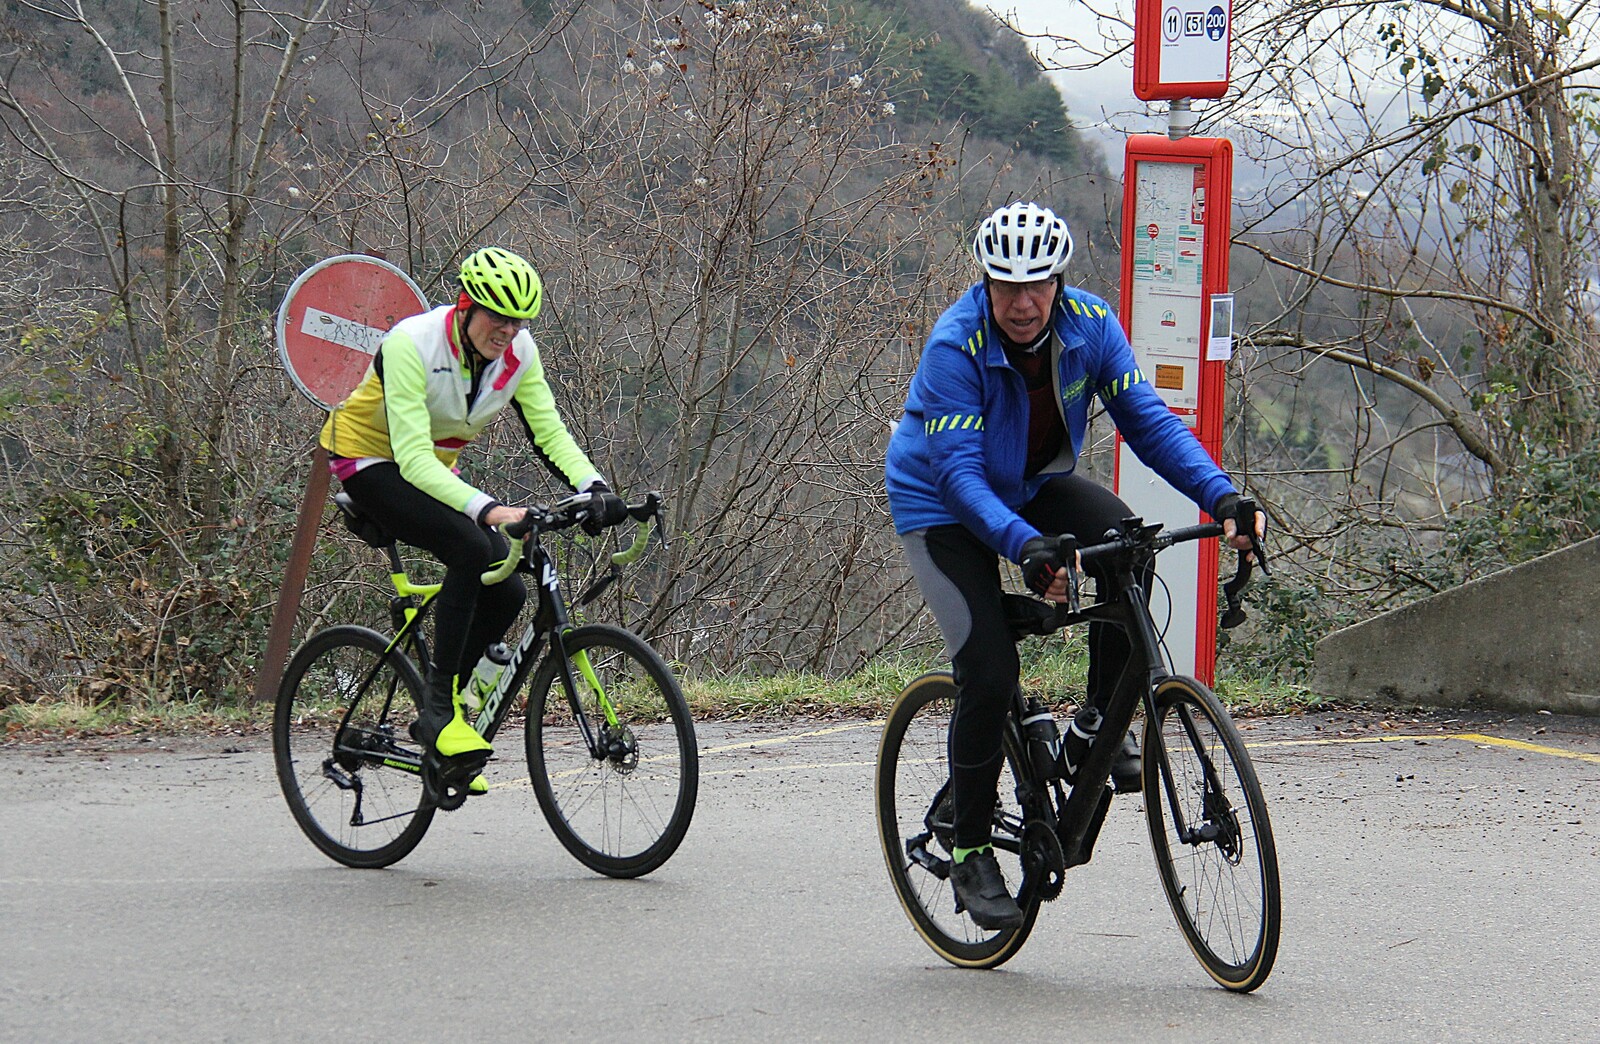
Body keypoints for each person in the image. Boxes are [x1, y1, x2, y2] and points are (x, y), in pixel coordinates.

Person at [884, 202, 1264, 929]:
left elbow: (1148, 422)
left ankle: (1094, 727)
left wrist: (1221, 496)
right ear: (986, 283)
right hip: (940, 505)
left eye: (1038, 284)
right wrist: (1024, 546)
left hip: (1026, 484)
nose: (1023, 302)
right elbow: (959, 476)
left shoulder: (1091, 325)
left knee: (1128, 546)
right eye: (1007, 286)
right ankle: (969, 850)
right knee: (988, 669)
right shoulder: (955, 346)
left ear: (1059, 281)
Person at [319, 246, 621, 789]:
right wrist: (492, 509)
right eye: (497, 317)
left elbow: (548, 432)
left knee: (506, 589)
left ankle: (449, 708)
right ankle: (439, 712)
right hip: (369, 460)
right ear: (465, 306)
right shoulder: (412, 343)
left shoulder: (519, 354)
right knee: (470, 547)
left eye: (518, 321)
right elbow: (411, 459)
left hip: (431, 469)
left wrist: (593, 487)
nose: (508, 330)